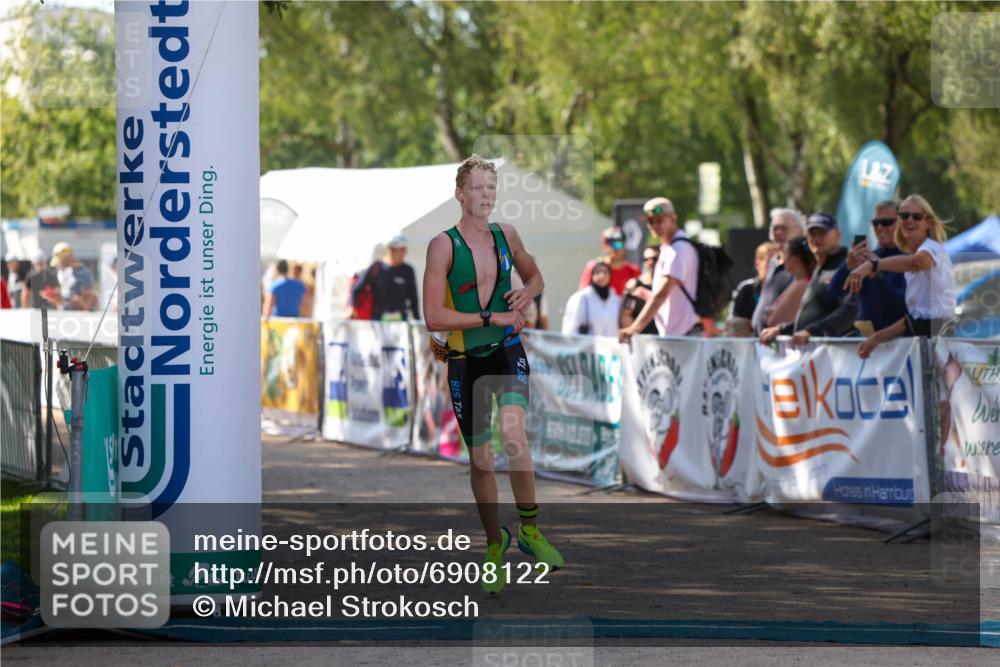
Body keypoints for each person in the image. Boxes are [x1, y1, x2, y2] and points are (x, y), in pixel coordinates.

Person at [423, 155, 563, 594]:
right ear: (460, 194)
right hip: (466, 359)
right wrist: (492, 317)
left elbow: (536, 276)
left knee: (514, 435)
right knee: (481, 459)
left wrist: (528, 293)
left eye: (492, 188)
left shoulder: (507, 234)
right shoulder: (443, 245)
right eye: (479, 187)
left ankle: (530, 530)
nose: (487, 195)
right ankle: (493, 543)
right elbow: (433, 315)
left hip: (505, 350)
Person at [850, 195, 957, 358]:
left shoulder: (933, 248)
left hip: (939, 337)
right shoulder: (913, 256)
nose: (909, 220)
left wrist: (874, 265)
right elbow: (913, 319)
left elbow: (916, 263)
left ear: (928, 222)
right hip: (922, 336)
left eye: (917, 216)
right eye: (904, 216)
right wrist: (875, 339)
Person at [762, 212, 857, 345]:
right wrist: (782, 329)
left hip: (838, 356)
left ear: (837, 235)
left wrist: (813, 332)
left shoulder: (847, 266)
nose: (817, 238)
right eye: (812, 234)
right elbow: (817, 315)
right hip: (814, 355)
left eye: (822, 233)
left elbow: (850, 311)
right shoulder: (820, 268)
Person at [619, 196, 700, 342]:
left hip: (683, 336)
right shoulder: (671, 247)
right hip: (678, 334)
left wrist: (634, 328)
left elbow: (662, 294)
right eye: (650, 221)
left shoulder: (677, 249)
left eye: (659, 220)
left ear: (673, 218)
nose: (654, 225)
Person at [827, 200, 908, 338]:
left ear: (902, 223)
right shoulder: (870, 256)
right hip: (869, 342)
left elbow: (902, 307)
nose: (880, 228)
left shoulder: (910, 258)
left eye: (886, 222)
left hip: (899, 344)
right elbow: (833, 293)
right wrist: (848, 266)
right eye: (875, 223)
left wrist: (876, 272)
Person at [751, 208, 806, 335]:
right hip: (762, 344)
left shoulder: (805, 263)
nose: (778, 232)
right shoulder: (773, 262)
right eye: (775, 228)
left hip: (786, 343)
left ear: (800, 232)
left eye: (784, 228)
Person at [758, 238, 818, 343]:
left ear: (794, 259)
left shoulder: (801, 285)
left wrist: (772, 313)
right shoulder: (798, 283)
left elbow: (775, 321)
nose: (782, 259)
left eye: (784, 254)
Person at [351, 234, 420, 321]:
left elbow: (413, 299)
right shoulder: (376, 268)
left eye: (405, 249)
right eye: (402, 249)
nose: (405, 252)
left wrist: (417, 321)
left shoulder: (408, 270)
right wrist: (352, 308)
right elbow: (356, 289)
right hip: (377, 322)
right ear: (390, 249)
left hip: (401, 323)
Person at [725, 242, 776, 336]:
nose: (774, 267)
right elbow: (734, 321)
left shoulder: (787, 287)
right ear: (758, 263)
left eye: (777, 262)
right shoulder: (746, 288)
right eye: (770, 262)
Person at [561, 262, 623, 337]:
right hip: (588, 347)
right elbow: (570, 329)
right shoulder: (581, 298)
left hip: (612, 347)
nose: (602, 276)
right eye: (598, 272)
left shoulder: (616, 301)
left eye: (605, 272)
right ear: (592, 275)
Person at [578, 226, 641, 297]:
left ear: (624, 245)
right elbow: (582, 297)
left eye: (618, 244)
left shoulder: (633, 270)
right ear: (603, 246)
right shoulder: (593, 268)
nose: (613, 248)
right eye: (609, 243)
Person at [45, 242, 98, 311]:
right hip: (62, 316)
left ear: (68, 258)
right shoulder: (59, 272)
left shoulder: (83, 273)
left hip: (78, 317)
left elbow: (87, 304)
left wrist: (65, 300)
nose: (59, 265)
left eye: (61, 261)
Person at [620, 246, 660, 335]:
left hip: (665, 338)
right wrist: (634, 335)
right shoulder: (635, 285)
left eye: (655, 259)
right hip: (642, 340)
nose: (650, 263)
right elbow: (626, 315)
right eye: (646, 259)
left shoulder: (670, 285)